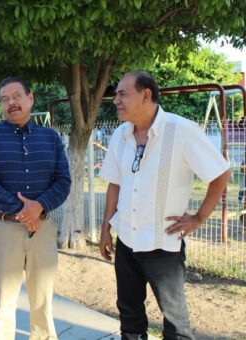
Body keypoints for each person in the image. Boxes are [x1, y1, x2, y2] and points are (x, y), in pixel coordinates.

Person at [99, 71, 231, 340]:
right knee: (129, 313)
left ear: (146, 94)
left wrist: (198, 218)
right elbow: (114, 184)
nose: (116, 101)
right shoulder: (121, 135)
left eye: (123, 94)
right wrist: (105, 231)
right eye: (116, 95)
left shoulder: (181, 130)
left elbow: (220, 174)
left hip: (163, 243)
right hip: (126, 240)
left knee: (175, 321)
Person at [0, 76, 71, 339]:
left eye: (16, 96)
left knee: (43, 300)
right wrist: (24, 210)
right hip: (2, 229)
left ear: (31, 98)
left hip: (43, 229)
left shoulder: (50, 137)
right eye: (5, 99)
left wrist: (39, 206)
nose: (11, 103)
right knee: (4, 303)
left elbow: (63, 181)